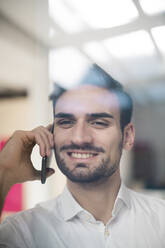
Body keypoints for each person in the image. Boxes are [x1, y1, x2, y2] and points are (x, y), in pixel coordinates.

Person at [0, 65, 165, 247]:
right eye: (66, 122)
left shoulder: (161, 221)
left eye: (98, 123)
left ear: (127, 136)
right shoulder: (21, 234)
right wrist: (4, 171)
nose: (79, 138)